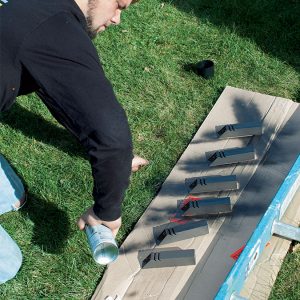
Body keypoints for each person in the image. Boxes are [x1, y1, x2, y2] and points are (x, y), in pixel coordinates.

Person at [0, 0, 148, 283]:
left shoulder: (43, 9)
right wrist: (107, 212)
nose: (117, 19)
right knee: (7, 266)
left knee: (12, 196)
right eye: (119, 5)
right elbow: (111, 135)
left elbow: (62, 96)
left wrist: (118, 158)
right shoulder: (55, 29)